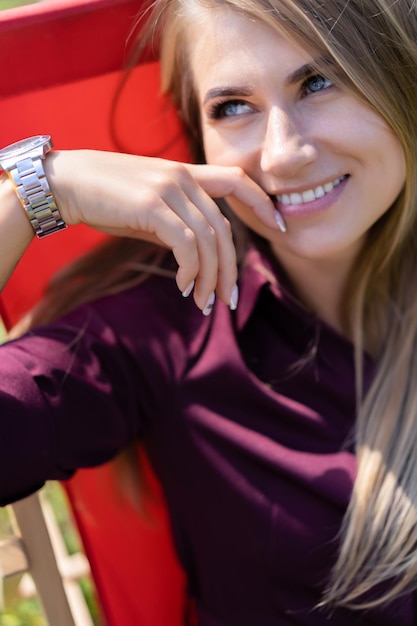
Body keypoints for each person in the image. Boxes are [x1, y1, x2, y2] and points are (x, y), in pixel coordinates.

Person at [1, 0, 416, 623]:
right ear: (199, 138)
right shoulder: (161, 333)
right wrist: (38, 192)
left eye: (320, 81)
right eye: (233, 107)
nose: (283, 155)